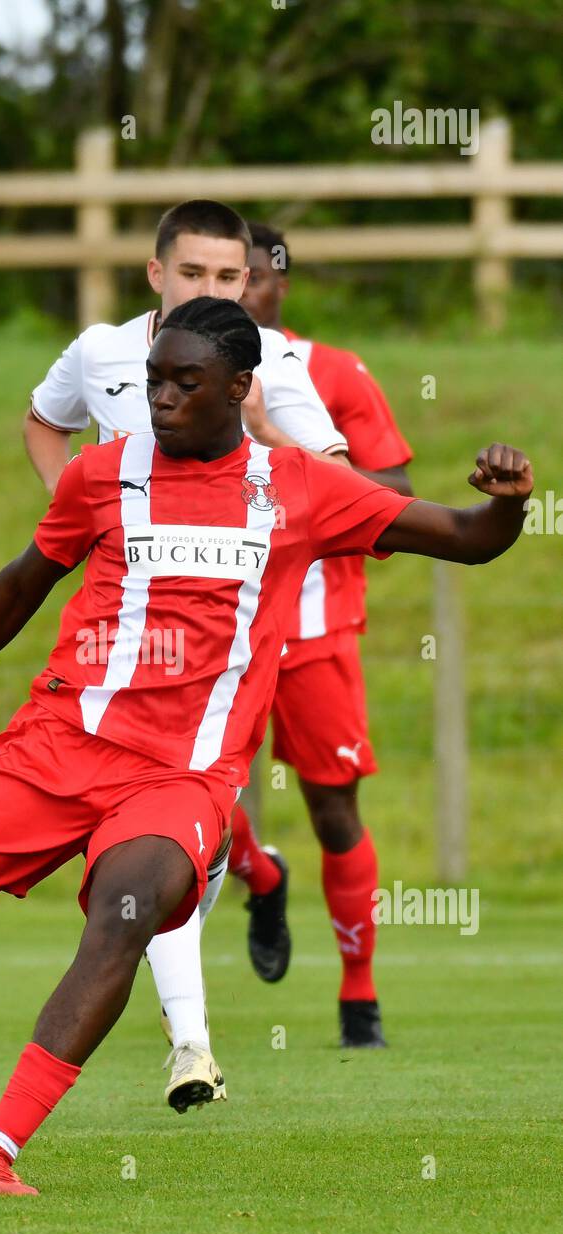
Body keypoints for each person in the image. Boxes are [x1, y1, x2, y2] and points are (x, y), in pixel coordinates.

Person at [0, 297, 532, 1197]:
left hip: (181, 777)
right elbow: (19, 586)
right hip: (54, 747)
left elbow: (463, 537)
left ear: (240, 388)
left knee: (128, 910)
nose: (164, 398)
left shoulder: (300, 488)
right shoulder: (100, 476)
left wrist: (509, 503)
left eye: (187, 382)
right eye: (154, 381)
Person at [25, 199, 349, 1105]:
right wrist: (80, 518)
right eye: (195, 274)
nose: (213, 289)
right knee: (153, 837)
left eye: (230, 277)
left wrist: (256, 434)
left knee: (161, 834)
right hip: (117, 628)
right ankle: (197, 1038)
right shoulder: (99, 351)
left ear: (251, 283)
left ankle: (205, 999)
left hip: (225, 631)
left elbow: (334, 475)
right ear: (155, 276)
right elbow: (44, 419)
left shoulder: (266, 361)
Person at [226, 223, 414, 1046]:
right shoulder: (175, 368)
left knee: (333, 808)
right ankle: (262, 876)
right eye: (224, 277)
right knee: (195, 797)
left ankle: (358, 997)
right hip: (214, 628)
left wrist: (279, 439)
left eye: (254, 278)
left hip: (314, 626)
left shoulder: (328, 371)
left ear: (278, 287)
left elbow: (394, 489)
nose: (240, 292)